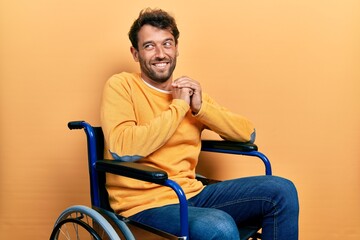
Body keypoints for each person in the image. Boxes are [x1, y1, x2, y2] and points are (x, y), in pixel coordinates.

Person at [100, 8, 299, 240]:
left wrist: (201, 108)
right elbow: (122, 148)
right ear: (135, 53)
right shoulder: (121, 85)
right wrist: (179, 108)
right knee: (218, 226)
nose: (160, 53)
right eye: (149, 46)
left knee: (282, 190)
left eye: (167, 44)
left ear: (176, 49)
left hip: (192, 194)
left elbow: (248, 134)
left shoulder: (188, 93)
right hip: (144, 203)